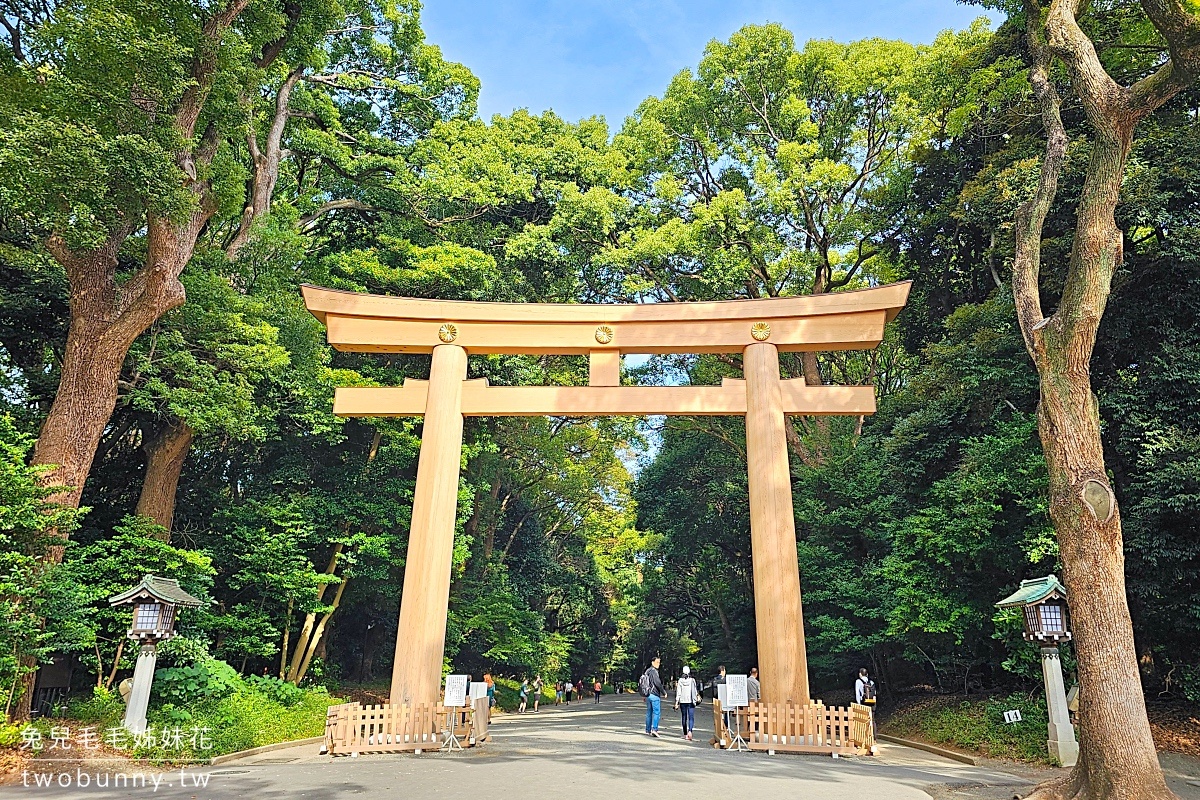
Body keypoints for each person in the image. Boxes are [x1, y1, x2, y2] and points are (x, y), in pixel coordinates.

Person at [640, 657, 666, 737]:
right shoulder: (654, 671)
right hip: (654, 694)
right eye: (657, 662)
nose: (658, 664)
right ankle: (654, 729)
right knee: (656, 712)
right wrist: (663, 692)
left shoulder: (647, 671)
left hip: (647, 694)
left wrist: (643, 695)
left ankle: (648, 730)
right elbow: (657, 683)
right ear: (652, 662)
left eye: (659, 662)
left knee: (649, 712)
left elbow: (643, 684)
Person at [673, 666, 701, 741]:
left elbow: (678, 692)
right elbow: (695, 691)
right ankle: (690, 731)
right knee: (691, 717)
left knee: (684, 717)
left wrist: (676, 702)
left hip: (683, 701)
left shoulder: (680, 681)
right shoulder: (692, 680)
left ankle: (685, 734)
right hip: (691, 701)